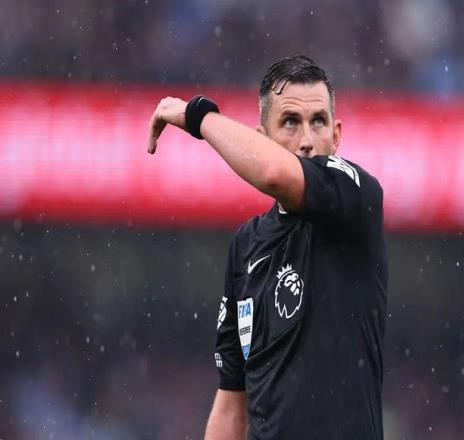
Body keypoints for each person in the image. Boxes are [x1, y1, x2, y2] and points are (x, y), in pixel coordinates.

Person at [147, 55, 388, 440]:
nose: (307, 140)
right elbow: (232, 404)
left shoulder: (357, 195)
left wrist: (197, 115)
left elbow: (274, 172)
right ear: (263, 139)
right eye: (290, 122)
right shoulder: (247, 245)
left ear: (337, 134)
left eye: (318, 121)